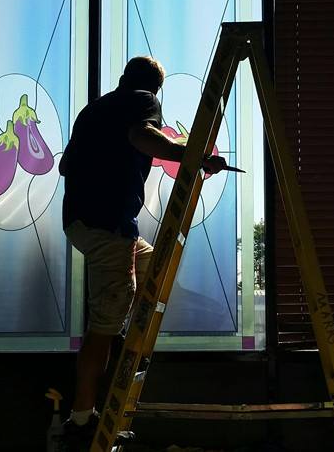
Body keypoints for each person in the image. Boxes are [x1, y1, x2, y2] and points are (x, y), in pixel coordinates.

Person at [57, 56, 227, 447]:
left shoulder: (94, 110)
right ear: (155, 87)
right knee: (108, 318)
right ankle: (83, 417)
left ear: (122, 77)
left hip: (82, 222)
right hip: (108, 225)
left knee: (154, 267)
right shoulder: (142, 99)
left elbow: (66, 166)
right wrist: (193, 156)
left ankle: (129, 345)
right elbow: (142, 137)